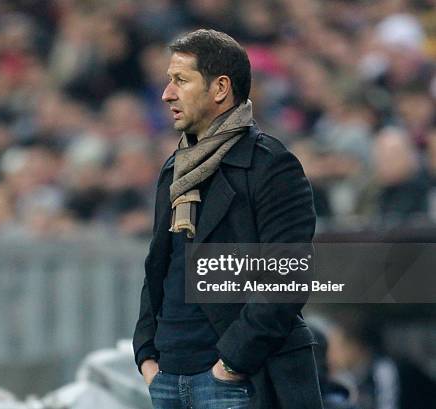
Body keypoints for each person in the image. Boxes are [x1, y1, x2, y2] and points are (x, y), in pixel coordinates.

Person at [132, 29, 323, 409]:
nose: (167, 93)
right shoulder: (175, 167)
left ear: (220, 88)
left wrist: (231, 364)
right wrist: (147, 355)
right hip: (169, 378)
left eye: (180, 81)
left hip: (236, 381)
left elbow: (287, 276)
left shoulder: (271, 165)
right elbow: (161, 265)